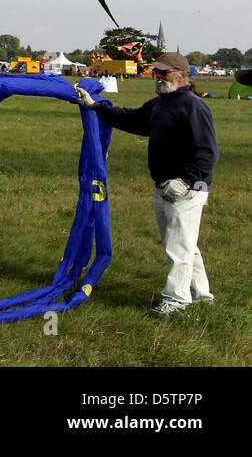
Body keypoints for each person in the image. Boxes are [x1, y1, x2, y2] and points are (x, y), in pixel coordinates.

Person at [74, 52, 218, 315]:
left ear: (182, 76)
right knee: (184, 244)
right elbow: (132, 119)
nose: (158, 77)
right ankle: (202, 295)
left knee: (179, 247)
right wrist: (95, 106)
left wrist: (185, 181)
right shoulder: (161, 103)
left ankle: (176, 300)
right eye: (156, 72)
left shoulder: (193, 106)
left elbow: (207, 152)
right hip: (165, 186)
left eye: (163, 73)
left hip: (185, 189)